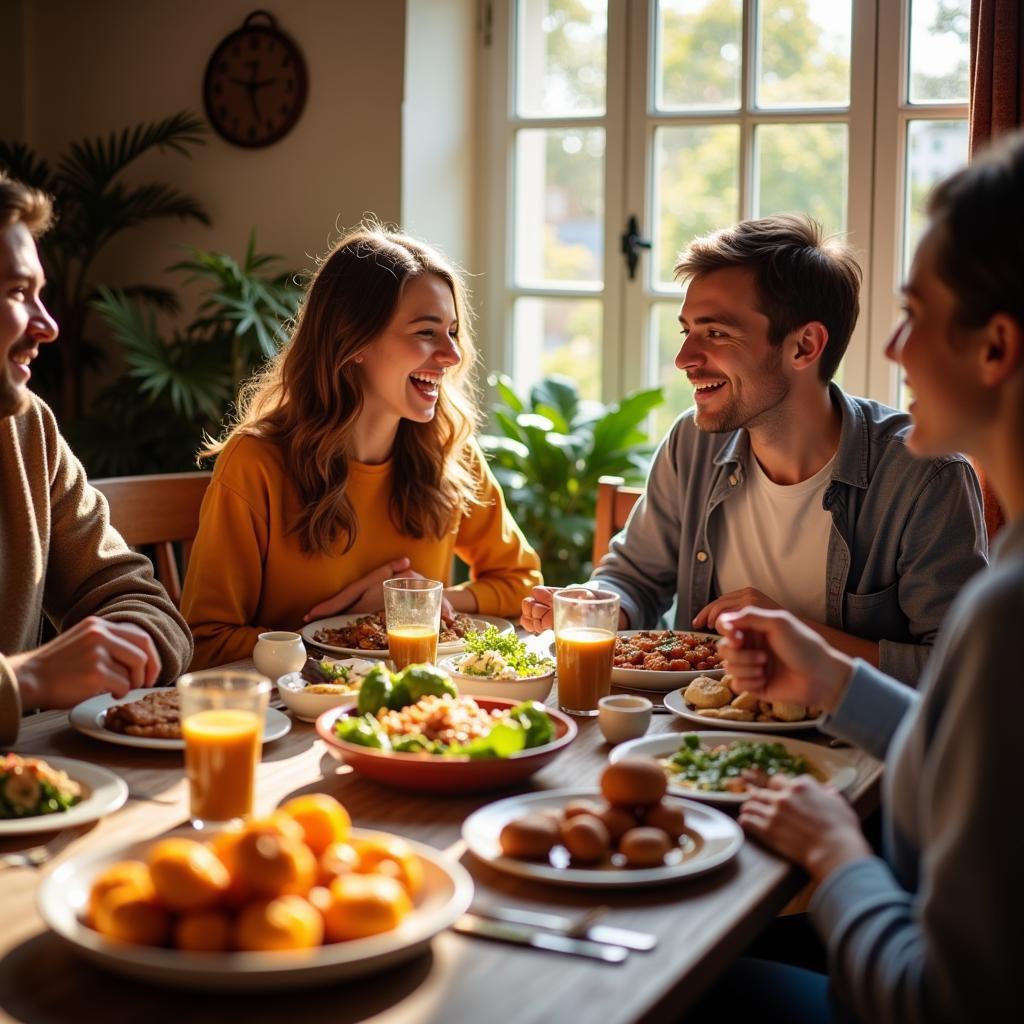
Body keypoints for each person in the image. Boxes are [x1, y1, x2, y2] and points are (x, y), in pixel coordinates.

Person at [701, 131, 1024, 1021]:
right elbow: (968, 755)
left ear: (996, 347)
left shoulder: (1007, 608)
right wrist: (839, 680)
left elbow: (942, 1000)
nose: (891, 347)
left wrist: (841, 853)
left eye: (916, 314)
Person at [523, 214, 987, 684]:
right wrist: (600, 605)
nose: (684, 359)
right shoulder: (692, 443)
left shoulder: (924, 476)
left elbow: (961, 672)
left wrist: (793, 635)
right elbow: (634, 577)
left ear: (804, 347)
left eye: (717, 332)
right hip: (694, 735)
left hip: (850, 749)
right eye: (687, 331)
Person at [181, 222, 542, 669]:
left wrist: (421, 602)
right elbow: (205, 641)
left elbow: (522, 582)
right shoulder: (256, 463)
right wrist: (353, 627)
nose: (451, 355)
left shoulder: (450, 453)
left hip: (420, 709)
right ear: (354, 342)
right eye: (426, 333)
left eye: (452, 332)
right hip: (297, 717)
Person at [0, 174, 193, 743]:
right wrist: (25, 679)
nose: (49, 325)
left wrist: (126, 644)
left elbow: (135, 597)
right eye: (16, 292)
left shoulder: (28, 430)